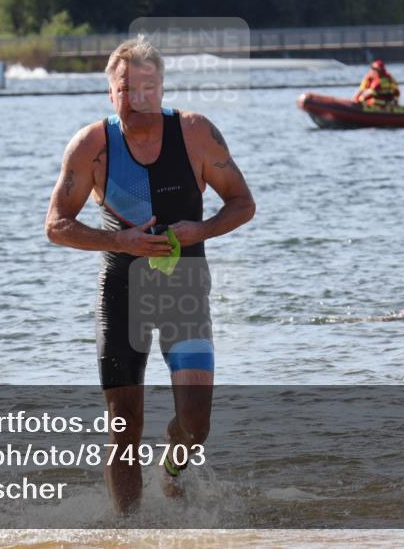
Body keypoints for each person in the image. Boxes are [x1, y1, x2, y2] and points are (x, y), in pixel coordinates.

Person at [44, 35, 256, 513]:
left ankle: (171, 470)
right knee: (124, 423)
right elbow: (56, 225)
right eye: (127, 89)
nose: (138, 99)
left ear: (162, 89)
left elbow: (243, 203)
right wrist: (121, 241)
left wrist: (200, 229)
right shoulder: (93, 145)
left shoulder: (196, 133)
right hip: (122, 290)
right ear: (111, 93)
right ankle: (129, 531)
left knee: (196, 424)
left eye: (148, 88)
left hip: (184, 288)